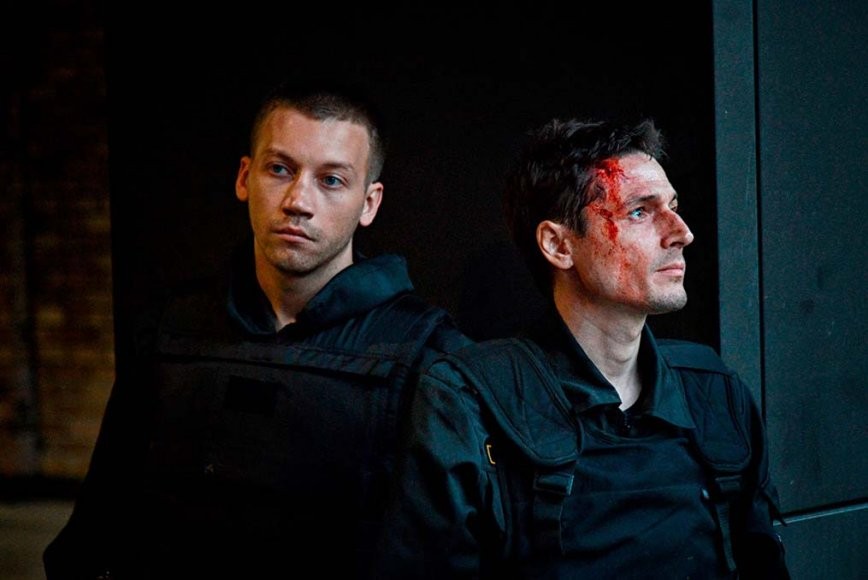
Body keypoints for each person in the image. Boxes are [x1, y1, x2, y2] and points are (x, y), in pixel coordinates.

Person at [43, 80, 470, 579]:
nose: (298, 201)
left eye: (332, 180)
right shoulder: (170, 332)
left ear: (369, 203)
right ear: (245, 177)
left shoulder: (428, 357)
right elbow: (96, 529)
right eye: (280, 169)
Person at [375, 118, 790, 578]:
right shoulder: (469, 401)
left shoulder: (712, 391)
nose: (682, 232)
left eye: (673, 206)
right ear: (558, 245)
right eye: (639, 211)